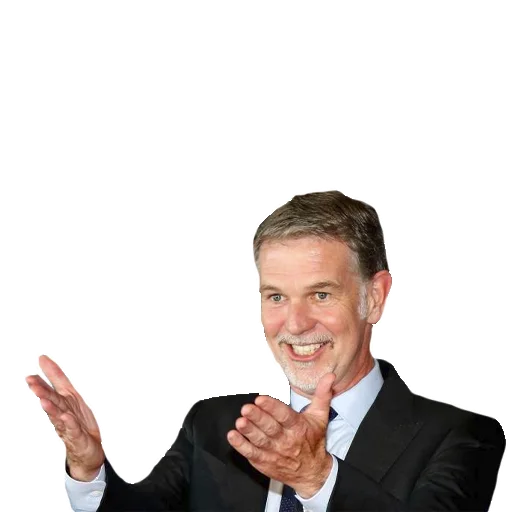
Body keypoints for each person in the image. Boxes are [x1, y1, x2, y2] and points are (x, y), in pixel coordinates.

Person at [26, 190, 505, 511]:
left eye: (321, 294)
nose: (294, 324)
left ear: (374, 297)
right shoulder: (215, 428)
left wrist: (316, 478)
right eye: (276, 296)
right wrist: (88, 468)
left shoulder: (462, 438)